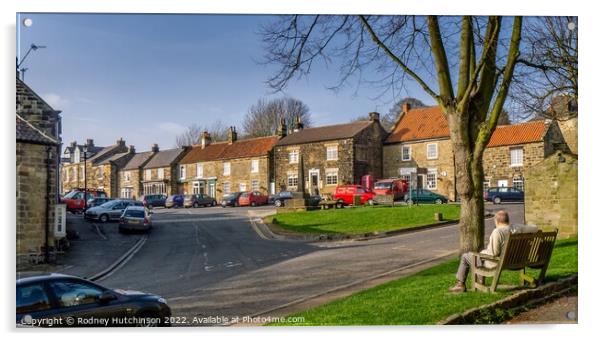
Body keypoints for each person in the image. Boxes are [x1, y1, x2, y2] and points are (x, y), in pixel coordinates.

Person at [448, 210, 512, 293]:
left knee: (465, 256)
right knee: (474, 256)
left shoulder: (498, 232)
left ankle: (460, 285)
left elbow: (494, 253)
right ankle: (480, 281)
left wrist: (482, 252)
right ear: (507, 220)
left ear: (497, 221)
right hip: (510, 260)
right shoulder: (513, 229)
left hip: (495, 262)